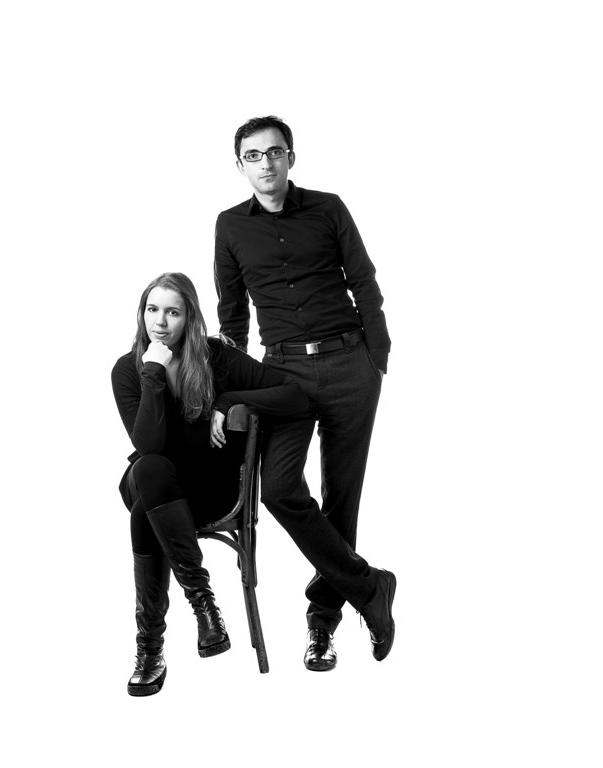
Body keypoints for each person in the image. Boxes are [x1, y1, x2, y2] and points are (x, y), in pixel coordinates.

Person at [214, 115, 396, 671]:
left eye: (274, 152)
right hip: (283, 374)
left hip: (349, 365)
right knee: (279, 489)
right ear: (240, 165)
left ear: (290, 157)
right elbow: (232, 314)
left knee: (341, 496)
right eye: (253, 155)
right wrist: (229, 392)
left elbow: (363, 281)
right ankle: (370, 586)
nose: (265, 163)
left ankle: (322, 624)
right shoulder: (229, 226)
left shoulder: (329, 208)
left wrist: (377, 356)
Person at [111, 272, 308, 696]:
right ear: (141, 313)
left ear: (190, 318)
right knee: (150, 469)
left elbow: (294, 395)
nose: (160, 321)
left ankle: (150, 652)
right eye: (152, 309)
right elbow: (149, 445)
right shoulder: (129, 370)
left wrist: (229, 399)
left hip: (210, 491)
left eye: (173, 312)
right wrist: (152, 372)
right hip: (158, 483)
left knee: (146, 506)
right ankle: (203, 604)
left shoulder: (217, 357)